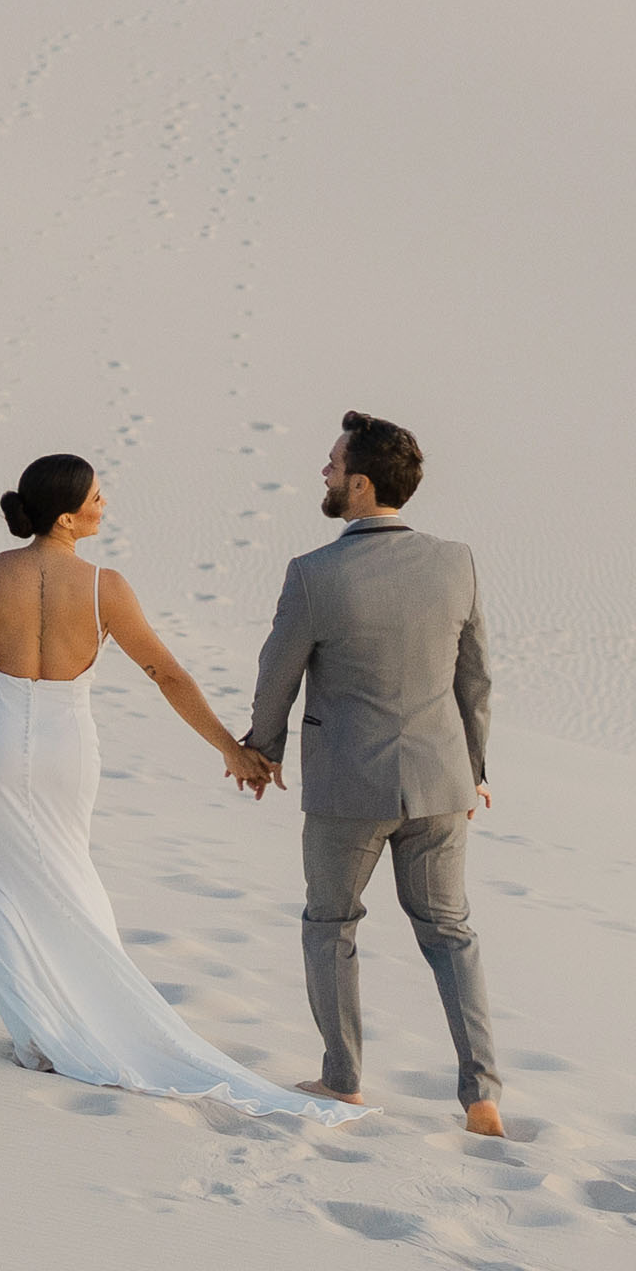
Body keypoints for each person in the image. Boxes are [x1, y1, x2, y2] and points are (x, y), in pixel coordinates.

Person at [0, 456, 344, 1115]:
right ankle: (90, 1011)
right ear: (66, 515)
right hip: (66, 746)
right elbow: (165, 672)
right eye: (97, 497)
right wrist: (231, 749)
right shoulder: (105, 586)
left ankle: (34, 1035)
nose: (105, 505)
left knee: (0, 884)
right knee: (69, 869)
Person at [242, 410, 504, 1135]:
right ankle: (481, 1094)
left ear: (359, 483)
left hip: (346, 789)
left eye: (330, 464)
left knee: (329, 925)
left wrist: (259, 749)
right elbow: (475, 680)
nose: (321, 473)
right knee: (450, 932)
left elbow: (276, 676)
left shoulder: (314, 573)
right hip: (441, 782)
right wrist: (473, 768)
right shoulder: (457, 561)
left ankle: (342, 1078)